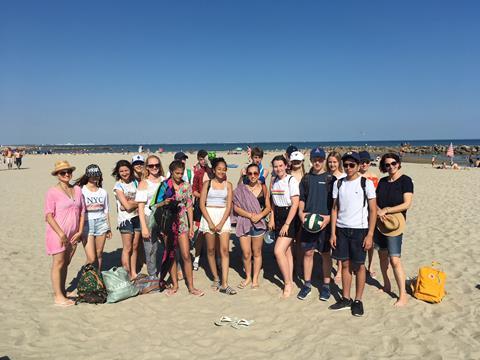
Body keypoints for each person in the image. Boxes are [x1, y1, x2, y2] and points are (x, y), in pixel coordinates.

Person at [329, 151, 377, 317]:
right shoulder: (339, 183)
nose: (348, 168)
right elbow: (334, 208)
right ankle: (346, 298)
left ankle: (358, 300)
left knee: (359, 266)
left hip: (359, 230)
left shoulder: (366, 183)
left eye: (352, 165)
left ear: (358, 165)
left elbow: (372, 210)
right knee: (345, 264)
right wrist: (333, 233)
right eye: (346, 165)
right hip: (341, 229)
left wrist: (370, 234)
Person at [151, 160, 204, 296]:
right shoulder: (164, 185)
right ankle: (175, 285)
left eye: (181, 173)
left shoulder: (186, 186)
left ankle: (191, 287)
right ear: (171, 172)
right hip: (168, 223)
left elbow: (189, 207)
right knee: (172, 255)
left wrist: (191, 226)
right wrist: (164, 202)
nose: (179, 176)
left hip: (182, 222)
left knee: (186, 255)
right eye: (177, 173)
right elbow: (154, 205)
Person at [44, 161, 85, 306]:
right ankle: (58, 297)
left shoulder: (78, 190)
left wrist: (80, 231)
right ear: (57, 175)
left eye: (68, 172)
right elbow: (48, 216)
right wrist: (61, 233)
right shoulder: (52, 192)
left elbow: (82, 212)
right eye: (62, 172)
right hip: (57, 234)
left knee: (66, 263)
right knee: (58, 263)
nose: (66, 174)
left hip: (73, 234)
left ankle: (62, 290)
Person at [375, 153, 413, 307]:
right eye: (387, 165)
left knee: (395, 260)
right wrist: (379, 211)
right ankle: (386, 285)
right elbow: (375, 201)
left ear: (398, 164)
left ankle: (402, 295)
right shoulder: (383, 181)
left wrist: (387, 210)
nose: (390, 167)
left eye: (393, 163)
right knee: (382, 256)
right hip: (380, 223)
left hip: (395, 225)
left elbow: (407, 204)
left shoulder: (406, 181)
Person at [297, 148, 332, 301]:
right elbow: (302, 199)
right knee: (308, 253)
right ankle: (307, 284)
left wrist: (329, 218)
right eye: (314, 159)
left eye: (320, 159)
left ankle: (326, 286)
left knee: (325, 254)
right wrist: (301, 213)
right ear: (310, 160)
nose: (317, 162)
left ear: (323, 160)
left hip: (325, 223)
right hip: (308, 223)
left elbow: (335, 204)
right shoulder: (306, 178)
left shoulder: (331, 179)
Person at [199, 157, 235, 295]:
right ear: (214, 170)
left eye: (224, 169)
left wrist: (220, 223)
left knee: (224, 250)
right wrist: (210, 222)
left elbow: (229, 206)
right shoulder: (207, 184)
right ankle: (215, 277)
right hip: (209, 216)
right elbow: (202, 204)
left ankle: (225, 283)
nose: (221, 171)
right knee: (210, 249)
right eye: (219, 169)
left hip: (223, 218)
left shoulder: (229, 185)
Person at [233, 163, 271, 289]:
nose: (253, 176)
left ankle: (255, 278)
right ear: (247, 174)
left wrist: (259, 216)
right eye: (250, 173)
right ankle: (248, 277)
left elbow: (268, 207)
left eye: (255, 173)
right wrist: (250, 215)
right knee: (246, 253)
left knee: (257, 252)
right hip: (244, 222)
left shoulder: (263, 187)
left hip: (258, 224)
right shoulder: (241, 189)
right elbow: (235, 208)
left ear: (258, 174)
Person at [269, 155, 300, 298]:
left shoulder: (291, 180)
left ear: (286, 166)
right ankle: (290, 281)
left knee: (278, 251)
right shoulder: (274, 180)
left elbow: (295, 203)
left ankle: (287, 283)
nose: (278, 168)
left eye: (280, 165)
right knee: (287, 251)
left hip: (290, 217)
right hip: (278, 216)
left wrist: (287, 224)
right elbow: (274, 203)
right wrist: (272, 219)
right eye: (275, 166)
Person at [75, 164, 112, 271]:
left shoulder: (103, 192)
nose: (95, 178)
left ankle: (97, 278)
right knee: (91, 257)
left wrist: (108, 227)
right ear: (87, 176)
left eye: (97, 175)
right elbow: (77, 210)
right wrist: (78, 228)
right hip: (86, 223)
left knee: (99, 254)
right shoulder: (80, 190)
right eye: (92, 175)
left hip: (101, 223)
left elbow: (106, 210)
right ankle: (86, 278)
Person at [135, 155, 165, 279]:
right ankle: (153, 275)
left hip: (164, 218)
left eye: (157, 165)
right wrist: (144, 227)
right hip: (149, 218)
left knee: (170, 245)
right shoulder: (143, 183)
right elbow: (140, 208)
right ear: (147, 167)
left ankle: (175, 269)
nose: (154, 168)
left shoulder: (165, 180)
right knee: (151, 249)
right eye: (151, 165)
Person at [112, 160, 141, 280]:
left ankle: (134, 272)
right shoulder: (118, 186)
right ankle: (127, 273)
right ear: (118, 173)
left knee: (135, 246)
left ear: (130, 170)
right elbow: (127, 207)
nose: (124, 173)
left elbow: (141, 200)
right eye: (121, 171)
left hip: (137, 217)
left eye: (126, 170)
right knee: (127, 247)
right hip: (125, 220)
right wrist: (134, 204)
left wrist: (130, 204)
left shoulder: (135, 182)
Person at [325, 151, 346, 282]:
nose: (332, 164)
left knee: (338, 242)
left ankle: (339, 270)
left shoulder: (343, 176)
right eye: (330, 162)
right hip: (327, 210)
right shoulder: (326, 176)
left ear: (339, 163)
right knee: (330, 241)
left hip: (340, 212)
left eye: (334, 162)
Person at [358, 150, 379, 278]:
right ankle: (359, 264)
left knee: (371, 240)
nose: (364, 164)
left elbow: (376, 197)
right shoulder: (354, 176)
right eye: (362, 162)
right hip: (358, 212)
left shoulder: (374, 176)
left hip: (371, 212)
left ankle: (370, 265)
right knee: (358, 240)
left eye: (366, 162)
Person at [191, 149, 212, 271]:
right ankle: (197, 257)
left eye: (205, 158)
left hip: (213, 206)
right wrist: (203, 196)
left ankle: (217, 258)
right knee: (200, 232)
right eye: (201, 159)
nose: (203, 161)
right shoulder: (198, 173)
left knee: (214, 231)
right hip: (200, 205)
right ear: (198, 160)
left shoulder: (214, 172)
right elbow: (194, 190)